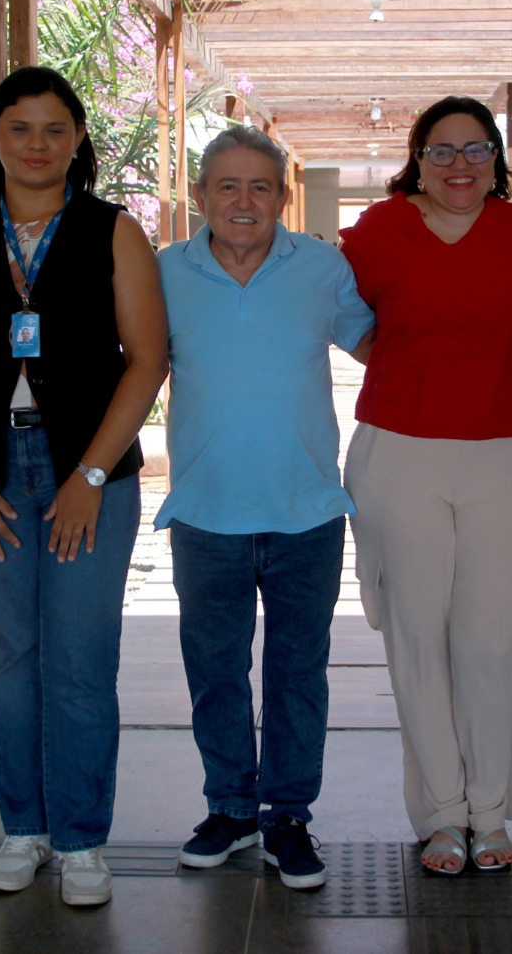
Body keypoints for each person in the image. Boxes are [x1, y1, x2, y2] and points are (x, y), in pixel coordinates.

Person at [0, 66, 167, 907]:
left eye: (55, 128)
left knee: (81, 659)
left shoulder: (112, 231)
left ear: (78, 139)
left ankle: (82, 839)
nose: (36, 144)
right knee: (11, 661)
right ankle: (23, 828)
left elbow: (147, 361)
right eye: (18, 127)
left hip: (87, 473)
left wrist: (91, 472)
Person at [339, 96, 512, 876]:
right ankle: (442, 814)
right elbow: (340, 314)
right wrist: (406, 369)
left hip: (507, 456)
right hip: (400, 454)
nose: (459, 165)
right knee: (417, 640)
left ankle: (489, 813)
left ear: (497, 160)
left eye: (475, 150)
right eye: (442, 151)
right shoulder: (376, 233)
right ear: (418, 160)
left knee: (493, 641)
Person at [157, 126, 375, 889]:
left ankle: (287, 815)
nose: (243, 201)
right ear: (200, 196)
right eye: (228, 186)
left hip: (307, 513)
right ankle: (229, 807)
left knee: (297, 674)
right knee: (215, 673)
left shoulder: (321, 268)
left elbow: (382, 348)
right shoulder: (164, 273)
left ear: (284, 197)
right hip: (204, 515)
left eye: (259, 187)